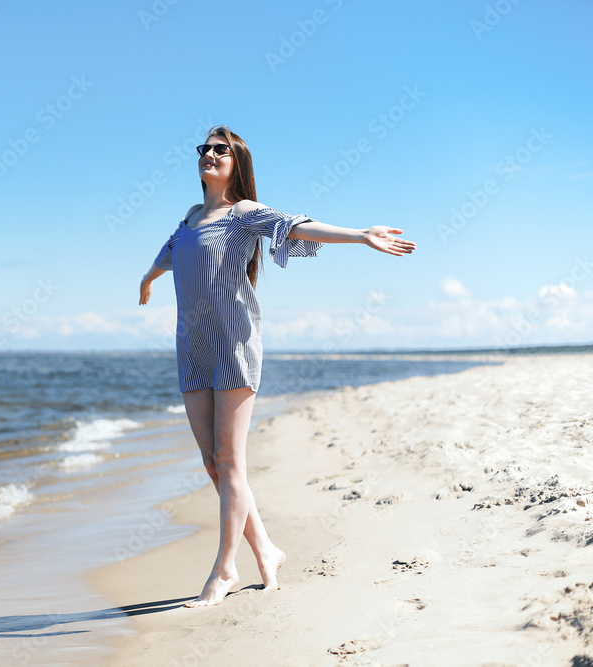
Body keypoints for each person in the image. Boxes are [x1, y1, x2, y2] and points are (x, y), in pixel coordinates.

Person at [138, 124, 416, 607]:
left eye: (219, 150)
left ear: (236, 162)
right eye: (203, 148)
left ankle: (224, 569)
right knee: (212, 463)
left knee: (230, 462)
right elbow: (171, 250)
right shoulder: (190, 217)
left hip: (234, 342)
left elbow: (295, 225)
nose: (208, 154)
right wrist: (149, 276)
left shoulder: (242, 213)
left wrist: (359, 234)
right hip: (192, 347)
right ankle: (266, 549)